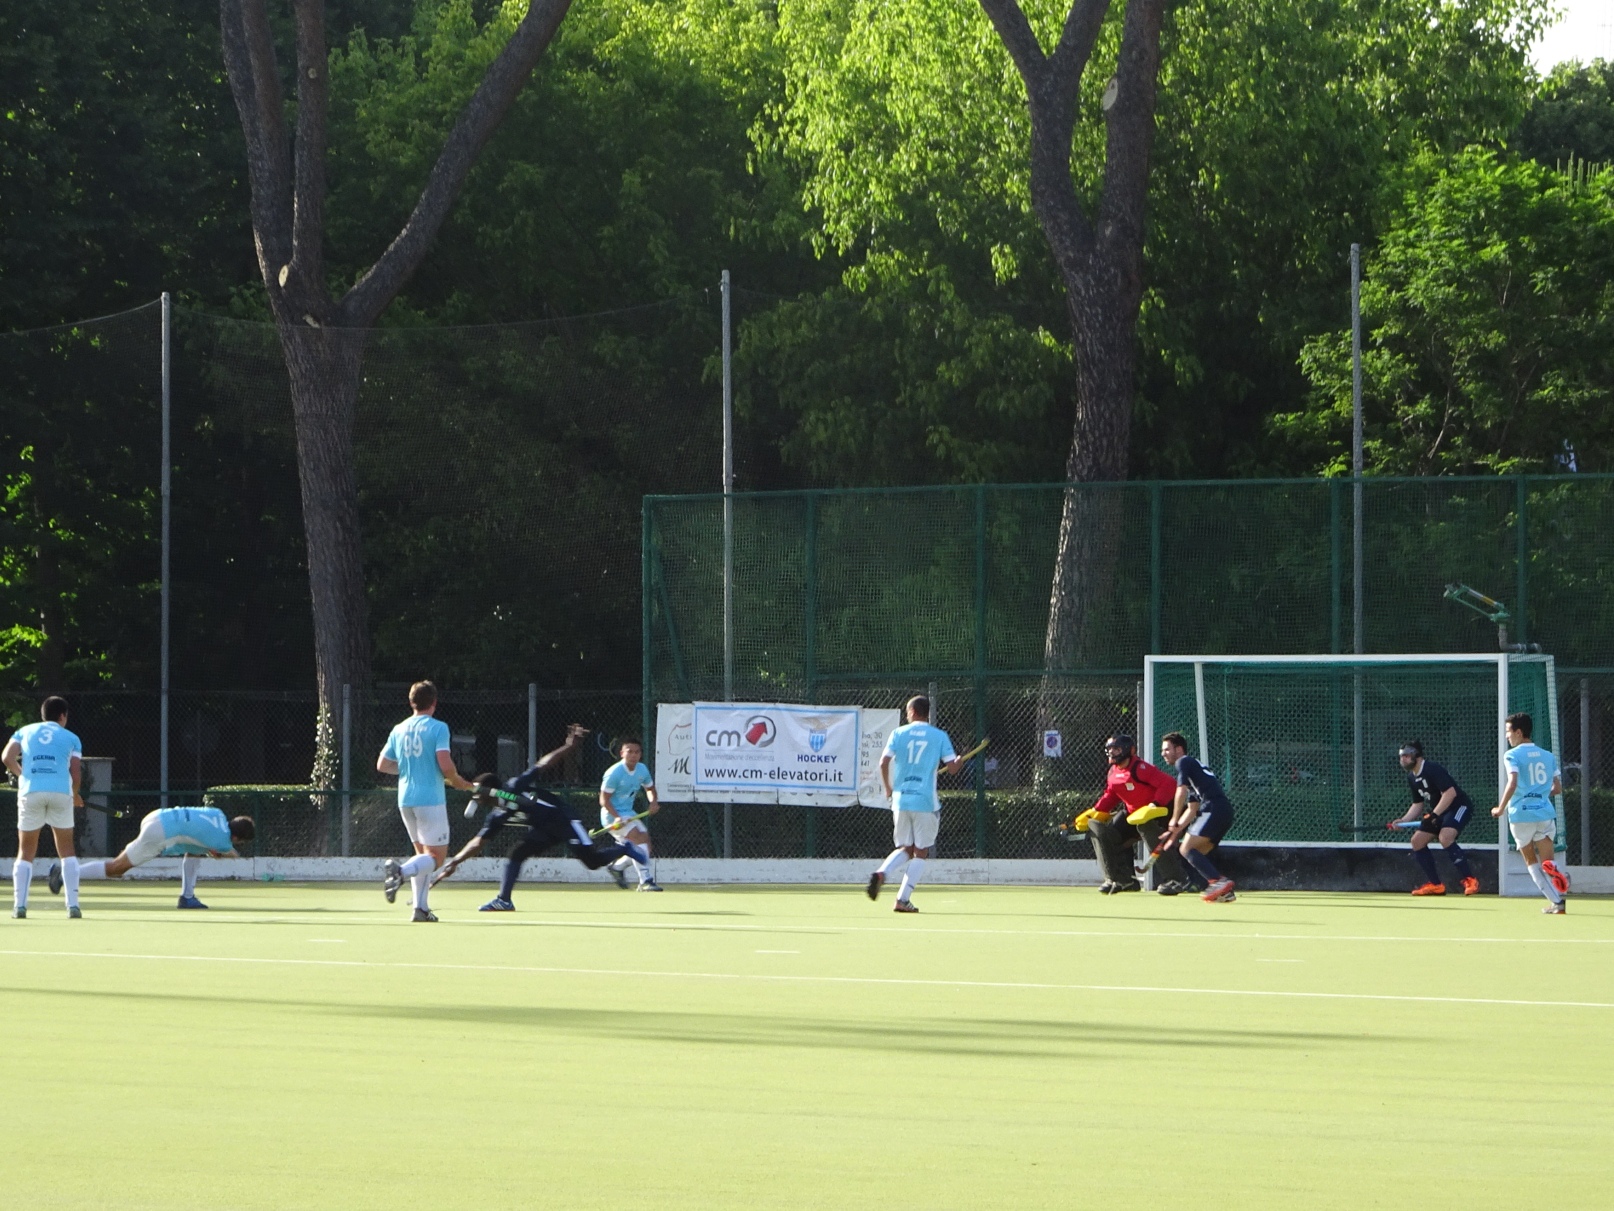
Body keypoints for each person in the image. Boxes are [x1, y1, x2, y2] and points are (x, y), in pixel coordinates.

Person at [434, 774, 651, 911]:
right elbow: (478, 842)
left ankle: (625, 848)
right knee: (517, 852)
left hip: (565, 820)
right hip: (544, 830)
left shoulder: (514, 787)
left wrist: (569, 746)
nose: (477, 799)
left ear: (490, 790)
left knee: (592, 862)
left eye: (479, 794)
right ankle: (504, 900)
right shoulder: (498, 814)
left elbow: (543, 765)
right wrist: (455, 862)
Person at [378, 681, 475, 922]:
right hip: (430, 800)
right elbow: (445, 764)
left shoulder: (399, 728)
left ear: (411, 702)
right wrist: (457, 780)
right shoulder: (438, 727)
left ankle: (420, 909)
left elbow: (383, 765)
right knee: (436, 858)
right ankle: (400, 872)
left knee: (422, 855)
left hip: (405, 799)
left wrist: (410, 769)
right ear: (434, 702)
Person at [867, 695, 967, 913]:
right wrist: (958, 762)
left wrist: (888, 788)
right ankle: (902, 899)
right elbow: (952, 769)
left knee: (905, 848)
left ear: (912, 712)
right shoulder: (939, 735)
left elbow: (883, 762)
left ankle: (883, 872)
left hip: (901, 799)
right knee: (920, 852)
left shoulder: (898, 733)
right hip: (925, 801)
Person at [48, 807, 255, 911]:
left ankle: (187, 897)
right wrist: (233, 854)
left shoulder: (217, 813)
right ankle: (64, 874)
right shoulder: (223, 841)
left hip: (157, 816)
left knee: (194, 851)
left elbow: (197, 838)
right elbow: (230, 854)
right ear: (236, 838)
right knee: (116, 869)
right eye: (240, 842)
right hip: (159, 832)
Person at [1069, 734, 1188, 894]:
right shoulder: (1112, 772)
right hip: (1134, 815)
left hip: (1160, 813)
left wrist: (1154, 805)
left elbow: (1169, 784)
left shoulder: (1140, 768)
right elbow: (1111, 795)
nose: (1112, 753)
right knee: (1107, 833)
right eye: (1110, 749)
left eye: (1116, 749)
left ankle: (1176, 879)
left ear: (1129, 750)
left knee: (1146, 826)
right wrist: (1096, 811)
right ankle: (1123, 880)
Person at [4, 696, 84, 919]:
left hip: (31, 791)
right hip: (61, 793)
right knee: (67, 850)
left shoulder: (24, 731)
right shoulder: (72, 738)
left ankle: (19, 907)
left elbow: (7, 756)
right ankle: (73, 906)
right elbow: (76, 773)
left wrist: (22, 774)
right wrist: (74, 794)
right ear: (62, 716)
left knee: (25, 851)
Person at [1491, 712, 1568, 914]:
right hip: (1544, 813)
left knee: (1531, 863)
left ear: (1519, 732)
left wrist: (1500, 808)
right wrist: (1539, 793)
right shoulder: (1548, 756)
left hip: (1521, 815)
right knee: (1548, 862)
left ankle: (1557, 903)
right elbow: (1557, 788)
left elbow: (1513, 782)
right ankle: (1558, 884)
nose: (1507, 736)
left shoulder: (1512, 755)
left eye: (1508, 732)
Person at [1390, 741, 1480, 896]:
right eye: (1401, 756)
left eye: (1406, 755)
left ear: (1417, 755)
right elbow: (1418, 804)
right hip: (1439, 811)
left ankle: (1470, 880)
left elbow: (1450, 793)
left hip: (1458, 806)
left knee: (1445, 836)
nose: (1402, 759)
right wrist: (1403, 821)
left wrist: (1434, 815)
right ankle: (1436, 885)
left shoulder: (1432, 769)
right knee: (1417, 841)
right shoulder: (1411, 777)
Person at [1160, 732, 1238, 903]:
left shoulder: (1183, 762)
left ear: (1179, 749)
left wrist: (1173, 819)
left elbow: (1180, 791)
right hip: (1224, 812)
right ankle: (1225, 892)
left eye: (1167, 749)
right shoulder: (1193, 770)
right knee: (1197, 852)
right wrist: (1175, 831)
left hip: (1213, 808)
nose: (1163, 753)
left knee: (1186, 849)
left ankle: (1218, 881)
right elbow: (1192, 808)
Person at [599, 737, 661, 891]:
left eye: (637, 752)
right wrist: (617, 817)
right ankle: (645, 881)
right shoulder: (614, 773)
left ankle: (617, 867)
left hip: (629, 813)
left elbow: (650, 789)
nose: (633, 755)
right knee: (639, 839)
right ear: (622, 753)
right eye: (630, 752)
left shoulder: (642, 769)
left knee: (646, 845)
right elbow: (604, 800)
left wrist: (653, 802)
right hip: (611, 816)